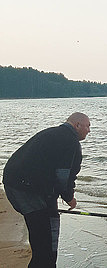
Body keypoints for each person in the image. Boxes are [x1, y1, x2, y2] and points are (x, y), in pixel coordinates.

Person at [2, 112, 90, 268]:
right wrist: (69, 197)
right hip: (27, 190)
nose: (89, 130)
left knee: (42, 235)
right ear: (77, 125)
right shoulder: (71, 141)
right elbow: (64, 176)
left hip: (12, 184)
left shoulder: (51, 133)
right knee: (46, 248)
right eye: (87, 126)